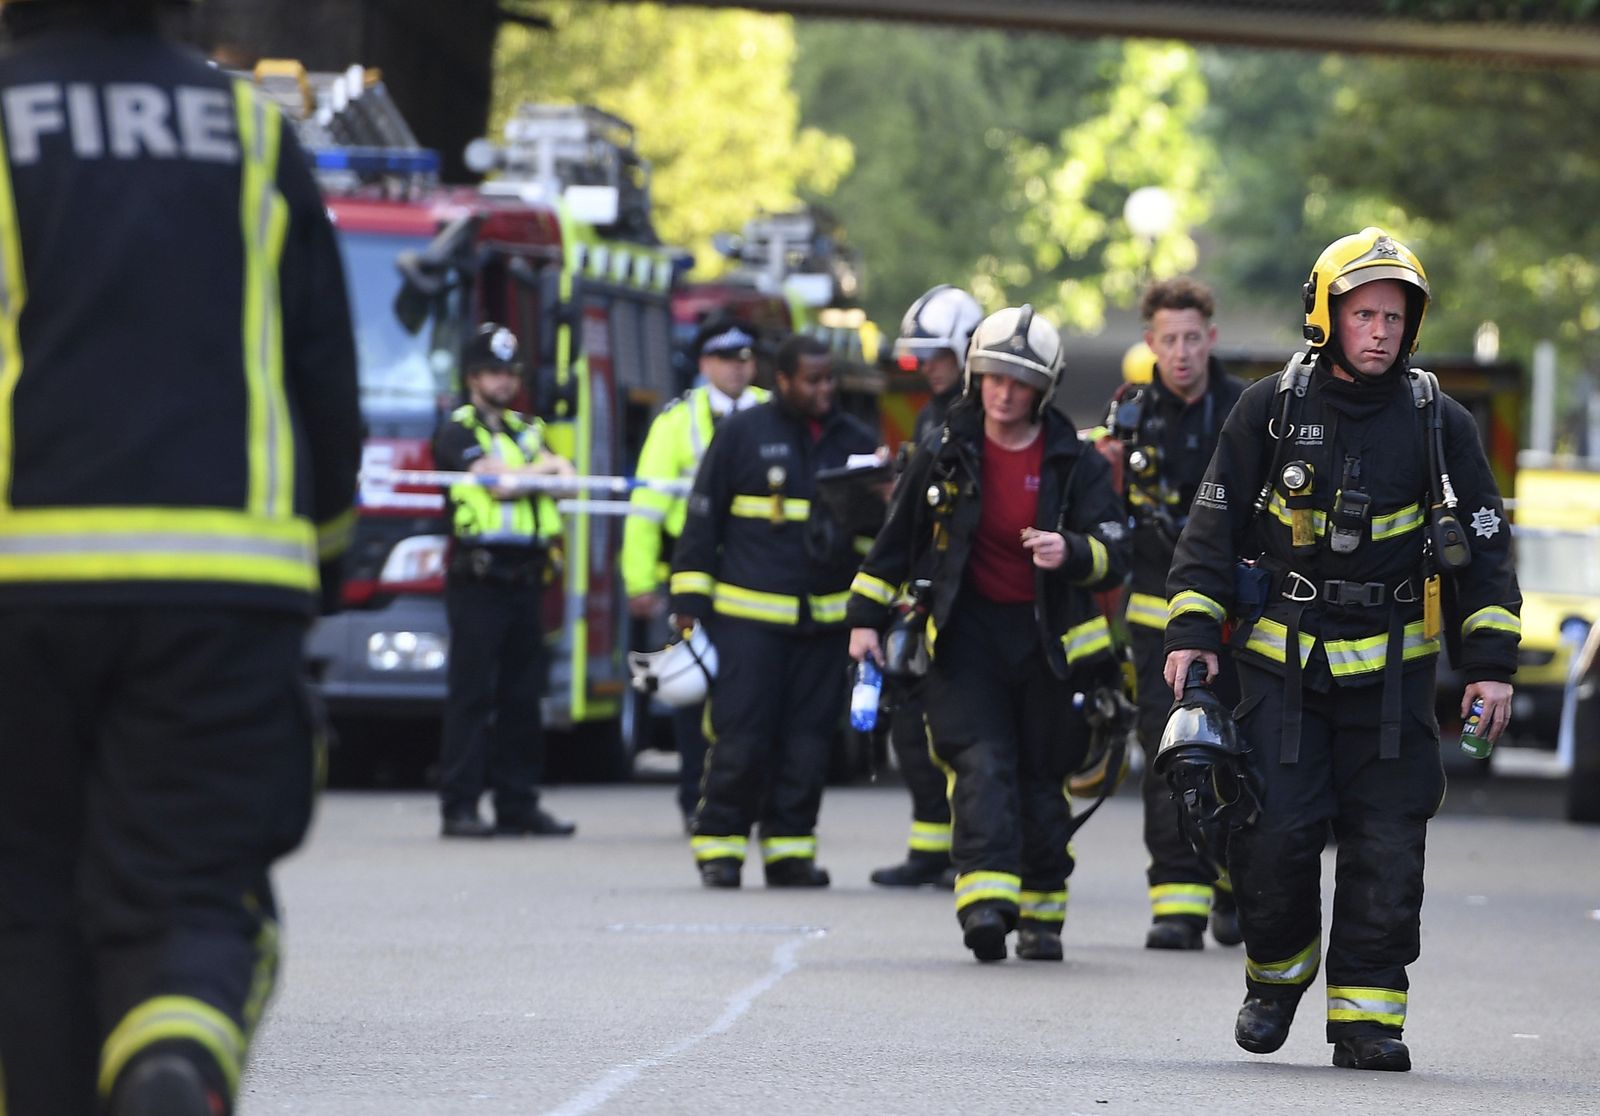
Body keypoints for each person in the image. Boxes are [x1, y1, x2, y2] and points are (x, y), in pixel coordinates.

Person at [0, 1, 362, 1112]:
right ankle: (175, 1066)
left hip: (16, 582)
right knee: (191, 896)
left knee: (26, 904)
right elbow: (323, 385)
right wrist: (321, 569)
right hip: (223, 591)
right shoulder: (252, 134)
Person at [1162, 228, 1520, 1071]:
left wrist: (1494, 669)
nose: (1381, 331)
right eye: (1364, 313)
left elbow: (1486, 551)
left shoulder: (1441, 423)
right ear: (1327, 316)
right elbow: (1209, 530)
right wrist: (1190, 637)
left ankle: (1367, 1018)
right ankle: (1275, 977)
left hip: (1395, 682)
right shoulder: (1270, 410)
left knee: (1389, 845)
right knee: (1272, 836)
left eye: (1395, 316)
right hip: (1283, 673)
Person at [848, 306, 1130, 963]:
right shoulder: (947, 450)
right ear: (976, 378)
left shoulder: (1070, 460)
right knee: (981, 762)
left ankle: (1041, 913)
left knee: (1041, 774)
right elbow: (896, 545)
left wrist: (1071, 551)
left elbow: (1116, 547)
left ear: (1044, 390)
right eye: (993, 376)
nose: (1004, 392)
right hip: (966, 636)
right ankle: (985, 903)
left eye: (1019, 381)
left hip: (1048, 644)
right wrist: (863, 622)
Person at [669, 333, 879, 888]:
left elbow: (875, 538)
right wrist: (688, 604)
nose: (824, 389)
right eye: (812, 380)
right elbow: (702, 520)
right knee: (741, 739)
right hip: (748, 624)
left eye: (829, 378)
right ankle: (720, 849)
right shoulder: (741, 435)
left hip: (822, 624)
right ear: (782, 380)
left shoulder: (854, 442)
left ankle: (791, 853)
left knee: (809, 745)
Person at [1097, 278, 1247, 950]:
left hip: (1239, 624)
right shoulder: (1130, 413)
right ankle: (1178, 904)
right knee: (1170, 756)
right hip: (1158, 621)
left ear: (1210, 338)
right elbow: (1104, 516)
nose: (1181, 353)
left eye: (1192, 338)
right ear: (1150, 343)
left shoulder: (1249, 409)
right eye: (1168, 340)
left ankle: (1236, 886)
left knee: (1244, 757)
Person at [621, 316, 768, 831]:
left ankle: (749, 798)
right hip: (695, 575)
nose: (738, 368)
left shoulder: (771, 412)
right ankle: (695, 800)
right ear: (705, 365)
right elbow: (647, 508)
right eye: (727, 359)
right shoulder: (676, 422)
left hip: (758, 574)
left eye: (745, 358)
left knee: (755, 692)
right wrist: (639, 581)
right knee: (693, 691)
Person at [434, 323, 576, 840]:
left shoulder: (526, 429)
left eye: (508, 372)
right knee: (471, 695)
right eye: (492, 372)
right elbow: (499, 486)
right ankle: (460, 806)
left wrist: (533, 475)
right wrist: (539, 474)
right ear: (473, 377)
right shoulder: (457, 429)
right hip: (479, 577)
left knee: (522, 696)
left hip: (525, 578)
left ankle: (519, 805)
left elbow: (565, 473)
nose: (502, 382)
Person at [869, 284, 984, 889]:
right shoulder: (931, 415)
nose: (927, 367)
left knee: (963, 734)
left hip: (969, 600)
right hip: (922, 592)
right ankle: (930, 847)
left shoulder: (990, 417)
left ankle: (975, 851)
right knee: (911, 727)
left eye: (938, 355)